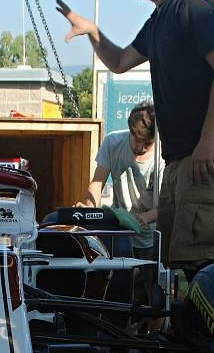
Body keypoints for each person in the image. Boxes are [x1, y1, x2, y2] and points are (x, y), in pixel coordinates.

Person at [58, 0, 214, 282]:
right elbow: (119, 61)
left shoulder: (195, 8)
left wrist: (208, 140)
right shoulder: (160, 19)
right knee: (174, 265)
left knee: (197, 266)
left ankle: (204, 337)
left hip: (208, 155)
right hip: (180, 160)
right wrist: (93, 32)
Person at [77, 102, 163, 310]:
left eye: (147, 144)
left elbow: (168, 205)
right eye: (136, 140)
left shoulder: (163, 156)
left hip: (152, 236)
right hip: (120, 231)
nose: (140, 148)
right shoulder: (113, 143)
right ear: (130, 130)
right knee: (112, 287)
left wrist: (147, 217)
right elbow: (97, 183)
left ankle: (154, 335)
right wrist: (90, 207)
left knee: (156, 293)